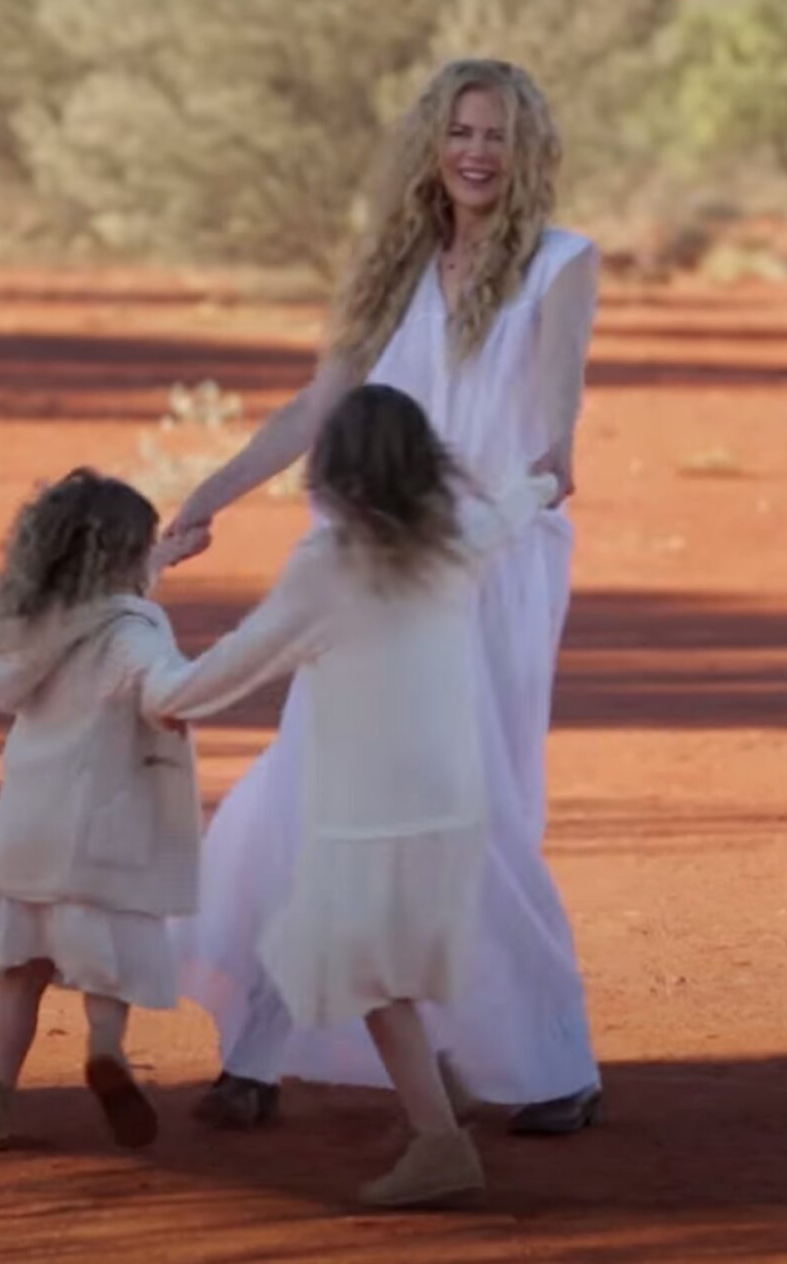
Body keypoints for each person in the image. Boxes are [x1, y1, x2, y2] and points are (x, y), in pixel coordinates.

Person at [160, 58, 604, 1136]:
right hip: (362, 563)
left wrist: (501, 507)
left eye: (497, 134)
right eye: (459, 130)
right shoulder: (392, 264)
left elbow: (553, 440)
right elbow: (321, 404)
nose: (476, 152)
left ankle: (553, 1062)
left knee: (476, 810)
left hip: (485, 566)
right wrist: (205, 497)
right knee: (309, 784)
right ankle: (259, 1047)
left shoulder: (559, 264)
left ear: (527, 148)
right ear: (431, 142)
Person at [142, 385, 562, 1207]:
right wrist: (540, 481)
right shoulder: (449, 542)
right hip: (448, 801)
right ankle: (441, 1087)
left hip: (369, 810)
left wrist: (165, 693)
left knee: (355, 970)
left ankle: (441, 1140)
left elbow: (248, 655)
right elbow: (508, 516)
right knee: (377, 964)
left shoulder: (330, 563)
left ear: (335, 472)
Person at [0, 469, 203, 1152]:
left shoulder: (28, 624)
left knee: (21, 976)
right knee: (106, 966)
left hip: (30, 828)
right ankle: (105, 1048)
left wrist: (164, 556)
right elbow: (151, 674)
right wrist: (181, 701)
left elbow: (103, 611)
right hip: (106, 832)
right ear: (121, 560)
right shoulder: (134, 631)